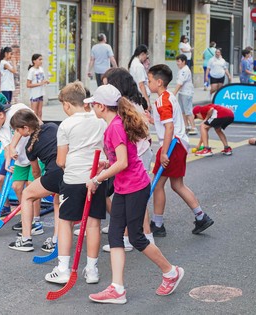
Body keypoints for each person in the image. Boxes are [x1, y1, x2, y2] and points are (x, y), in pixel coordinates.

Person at [87, 84, 184, 304]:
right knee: (114, 236)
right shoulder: (114, 124)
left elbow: (122, 162)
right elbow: (121, 159)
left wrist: (96, 179)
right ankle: (117, 288)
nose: (92, 106)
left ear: (101, 106)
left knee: (137, 237)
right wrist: (106, 164)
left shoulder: (115, 127)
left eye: (94, 103)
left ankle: (171, 272)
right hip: (124, 186)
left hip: (135, 187)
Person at [44, 81, 107, 284]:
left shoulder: (67, 124)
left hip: (73, 179)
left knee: (66, 222)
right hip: (97, 177)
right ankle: (92, 270)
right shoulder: (100, 120)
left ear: (67, 105)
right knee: (93, 224)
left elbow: (61, 161)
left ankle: (63, 268)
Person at [147, 64, 214, 238]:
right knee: (177, 184)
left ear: (159, 82)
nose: (148, 83)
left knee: (159, 185)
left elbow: (169, 127)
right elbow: (168, 123)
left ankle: (158, 224)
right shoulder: (169, 96)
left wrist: (163, 153)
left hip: (171, 146)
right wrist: (152, 120)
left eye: (150, 80)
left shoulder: (162, 100)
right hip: (178, 144)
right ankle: (200, 216)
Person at [101, 68, 155, 252]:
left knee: (135, 197)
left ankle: (138, 236)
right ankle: (135, 234)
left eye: (107, 84)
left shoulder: (127, 107)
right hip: (140, 151)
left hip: (137, 154)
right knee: (132, 198)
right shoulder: (133, 102)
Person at [0, 93, 43, 234]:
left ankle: (36, 221)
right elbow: (7, 148)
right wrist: (8, 161)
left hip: (36, 153)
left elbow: (21, 130)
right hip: (20, 158)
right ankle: (27, 217)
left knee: (32, 186)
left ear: (0, 115)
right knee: (16, 186)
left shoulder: (17, 110)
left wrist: (13, 148)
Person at [7, 110, 62, 252]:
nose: (17, 133)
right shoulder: (52, 127)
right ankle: (56, 241)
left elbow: (36, 172)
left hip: (53, 174)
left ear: (25, 128)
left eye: (17, 130)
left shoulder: (29, 147)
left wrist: (40, 186)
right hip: (68, 170)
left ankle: (26, 239)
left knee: (26, 195)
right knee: (57, 201)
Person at [173, 55, 197, 135]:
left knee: (188, 111)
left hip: (186, 93)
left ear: (183, 61)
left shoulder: (185, 70)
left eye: (179, 61)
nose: (177, 63)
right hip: (182, 92)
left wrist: (174, 93)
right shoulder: (182, 70)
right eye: (177, 61)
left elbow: (180, 83)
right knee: (182, 111)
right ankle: (186, 126)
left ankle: (193, 127)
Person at [27, 54, 50, 120]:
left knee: (40, 113)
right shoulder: (31, 70)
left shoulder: (41, 69)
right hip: (34, 94)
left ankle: (40, 127)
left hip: (41, 93)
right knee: (34, 113)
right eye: (39, 59)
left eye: (41, 59)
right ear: (34, 61)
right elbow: (28, 85)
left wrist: (46, 81)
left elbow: (42, 80)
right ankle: (34, 128)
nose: (41, 61)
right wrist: (40, 84)